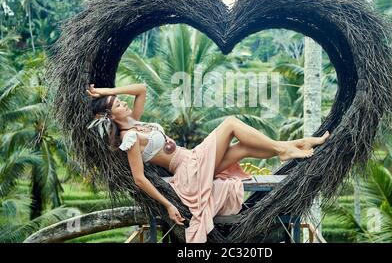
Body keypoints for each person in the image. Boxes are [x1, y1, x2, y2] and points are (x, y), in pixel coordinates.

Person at [86, 83, 330, 242]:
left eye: (119, 100)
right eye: (118, 104)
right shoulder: (128, 138)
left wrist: (108, 93)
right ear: (110, 116)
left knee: (243, 148)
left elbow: (141, 89)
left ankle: (292, 146)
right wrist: (168, 205)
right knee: (231, 124)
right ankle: (284, 148)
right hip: (187, 169)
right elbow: (139, 179)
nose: (123, 103)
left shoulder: (136, 123)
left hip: (192, 158)